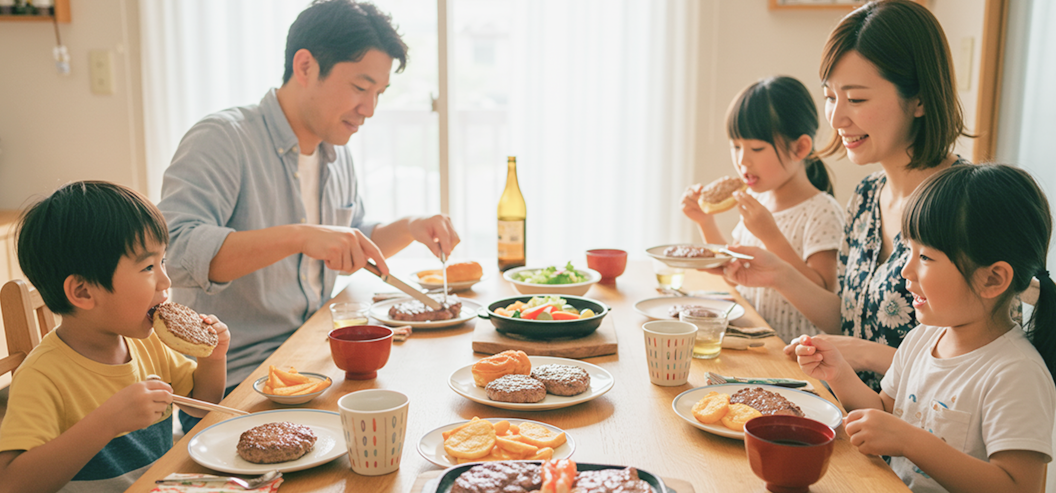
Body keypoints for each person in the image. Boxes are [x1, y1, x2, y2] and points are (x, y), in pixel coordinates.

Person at [157, 0, 459, 431]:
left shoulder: (334, 153)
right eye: (360, 87)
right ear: (305, 66)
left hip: (315, 360)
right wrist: (299, 236)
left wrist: (409, 226)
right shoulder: (223, 138)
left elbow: (349, 239)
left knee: (428, 404)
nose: (369, 108)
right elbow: (176, 251)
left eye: (379, 93)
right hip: (237, 382)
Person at [720, 0, 972, 390]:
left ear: (919, 99)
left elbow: (979, 366)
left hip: (919, 441)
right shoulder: (868, 195)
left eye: (855, 99)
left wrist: (866, 354)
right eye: (831, 97)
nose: (836, 119)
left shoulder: (965, 205)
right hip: (848, 413)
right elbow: (849, 320)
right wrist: (780, 274)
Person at [795, 164, 1056, 493]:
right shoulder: (922, 339)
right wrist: (838, 373)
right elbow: (884, 413)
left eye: (926, 258)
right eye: (909, 252)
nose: (906, 271)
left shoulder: (1017, 373)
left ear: (992, 279)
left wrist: (910, 442)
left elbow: (1020, 487)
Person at [0, 181, 230, 493]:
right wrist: (106, 422)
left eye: (162, 261)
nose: (166, 279)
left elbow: (202, 405)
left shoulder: (147, 341)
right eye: (148, 267)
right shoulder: (42, 376)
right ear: (83, 292)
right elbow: (12, 483)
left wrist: (213, 359)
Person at [680, 76, 844, 342]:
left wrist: (771, 236)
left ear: (800, 147)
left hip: (797, 356)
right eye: (736, 146)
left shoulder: (822, 211)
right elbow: (735, 275)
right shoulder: (760, 204)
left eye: (756, 148)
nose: (742, 160)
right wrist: (705, 222)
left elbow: (824, 292)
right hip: (755, 344)